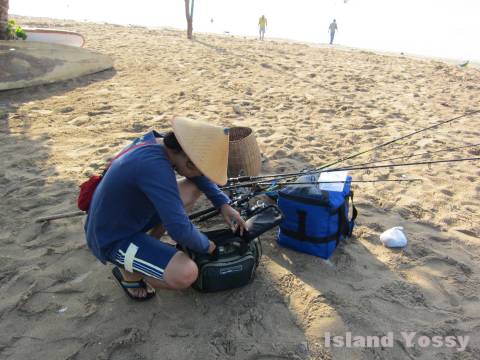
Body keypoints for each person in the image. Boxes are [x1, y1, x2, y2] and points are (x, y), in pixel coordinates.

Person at [84, 117, 247, 300]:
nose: (204, 176)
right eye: (203, 170)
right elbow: (179, 230)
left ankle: (145, 248)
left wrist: (223, 205)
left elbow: (198, 180)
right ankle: (130, 274)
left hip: (126, 215)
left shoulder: (159, 143)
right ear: (189, 160)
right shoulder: (155, 167)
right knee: (186, 273)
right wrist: (209, 246)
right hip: (111, 237)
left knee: (193, 187)